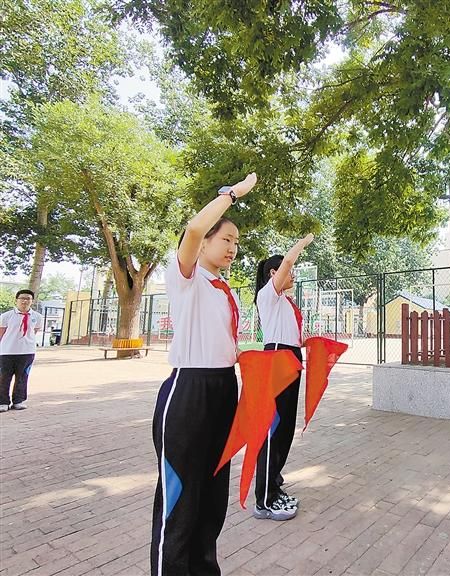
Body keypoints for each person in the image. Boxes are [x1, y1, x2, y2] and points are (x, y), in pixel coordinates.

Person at [150, 173, 257, 576]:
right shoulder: (187, 278)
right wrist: (233, 194)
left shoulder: (223, 289)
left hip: (223, 388)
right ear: (206, 241)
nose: (232, 248)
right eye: (226, 239)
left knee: (212, 498)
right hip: (189, 391)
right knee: (181, 499)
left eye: (236, 243)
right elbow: (193, 228)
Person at [252, 233, 314, 521]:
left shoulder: (286, 303)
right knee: (273, 430)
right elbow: (288, 261)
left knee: (285, 429)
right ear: (273, 274)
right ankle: (264, 500)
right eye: (289, 271)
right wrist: (303, 243)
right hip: (276, 361)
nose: (293, 275)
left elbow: (294, 336)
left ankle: (274, 486)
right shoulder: (268, 296)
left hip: (290, 359)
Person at [0, 289, 43, 412]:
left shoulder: (37, 317)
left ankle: (19, 401)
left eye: (28, 298)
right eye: (22, 298)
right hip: (7, 352)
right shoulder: (6, 316)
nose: (25, 301)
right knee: (4, 377)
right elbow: (1, 333)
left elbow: (34, 332)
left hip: (27, 352)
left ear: (32, 301)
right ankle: (3, 401)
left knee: (22, 377)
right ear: (17, 300)